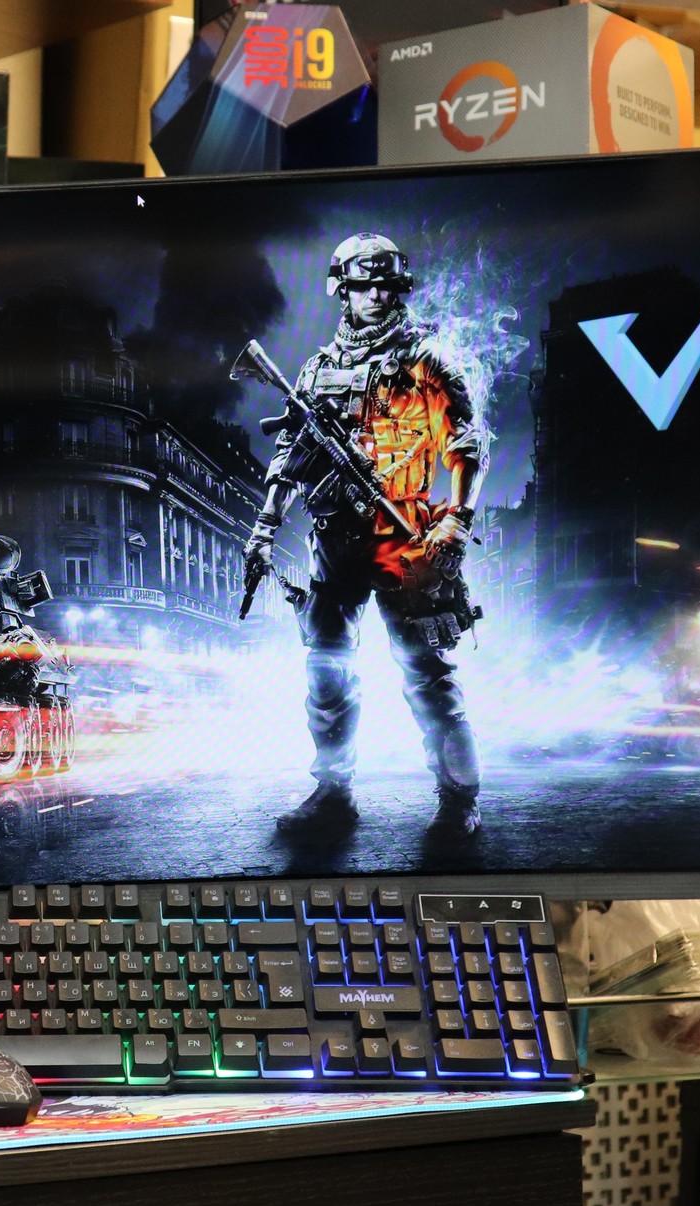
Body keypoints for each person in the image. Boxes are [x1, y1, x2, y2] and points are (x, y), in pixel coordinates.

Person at [242, 233, 488, 840]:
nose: (375, 295)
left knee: (428, 675)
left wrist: (457, 518)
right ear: (342, 291)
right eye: (362, 286)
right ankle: (333, 793)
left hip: (404, 538)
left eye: (385, 285)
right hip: (334, 542)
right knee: (327, 674)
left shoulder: (426, 359)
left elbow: (466, 444)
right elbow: (289, 456)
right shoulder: (317, 370)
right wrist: (264, 528)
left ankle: (458, 800)